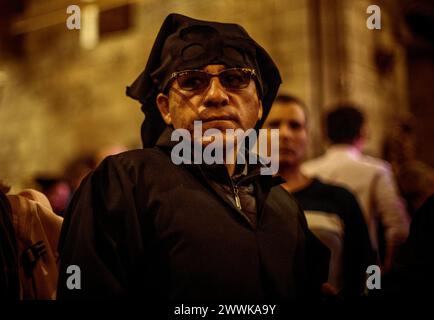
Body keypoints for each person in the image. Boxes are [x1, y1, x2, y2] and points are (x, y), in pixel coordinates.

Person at [57, 13, 329, 301]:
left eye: (235, 79)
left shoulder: (282, 203)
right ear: (165, 108)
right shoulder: (123, 184)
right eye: (192, 82)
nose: (215, 95)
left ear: (260, 105)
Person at [263, 95, 374, 298]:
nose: (285, 134)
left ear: (308, 135)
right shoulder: (247, 198)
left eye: (295, 126)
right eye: (274, 125)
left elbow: (368, 263)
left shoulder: (339, 198)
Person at [302, 105, 410, 273]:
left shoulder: (306, 171)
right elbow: (398, 229)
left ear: (325, 134)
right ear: (363, 132)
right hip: (365, 268)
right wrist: (385, 270)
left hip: (315, 267)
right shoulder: (377, 170)